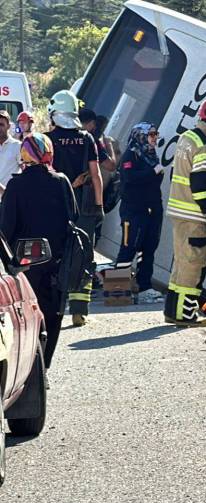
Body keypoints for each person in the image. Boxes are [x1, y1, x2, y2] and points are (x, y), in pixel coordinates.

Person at [0, 134, 76, 367]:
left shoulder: (15, 185)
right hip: (56, 264)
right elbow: (74, 218)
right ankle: (44, 366)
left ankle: (29, 365)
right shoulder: (61, 181)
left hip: (24, 265)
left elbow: (5, 227)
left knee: (27, 316)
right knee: (52, 315)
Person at [164, 99, 206, 327]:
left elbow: (175, 176)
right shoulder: (204, 146)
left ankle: (173, 311)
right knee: (194, 266)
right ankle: (186, 315)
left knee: (181, 263)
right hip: (195, 217)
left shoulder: (186, 138)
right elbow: (200, 184)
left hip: (179, 212)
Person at [47, 90, 103, 327]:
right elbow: (96, 174)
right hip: (85, 207)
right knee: (83, 255)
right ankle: (80, 310)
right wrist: (99, 205)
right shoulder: (87, 139)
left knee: (57, 256)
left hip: (56, 206)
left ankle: (55, 307)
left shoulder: (47, 139)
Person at [116, 123, 165, 302]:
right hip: (133, 210)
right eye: (151, 135)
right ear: (141, 136)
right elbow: (130, 178)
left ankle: (144, 287)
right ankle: (118, 291)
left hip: (152, 209)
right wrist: (152, 172)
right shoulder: (131, 154)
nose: (154, 138)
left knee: (149, 248)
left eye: (155, 134)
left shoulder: (152, 155)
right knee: (128, 247)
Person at [0, 110, 21, 193]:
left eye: (1, 125)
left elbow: (25, 171)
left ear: (8, 126)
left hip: (9, 198)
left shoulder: (17, 146)